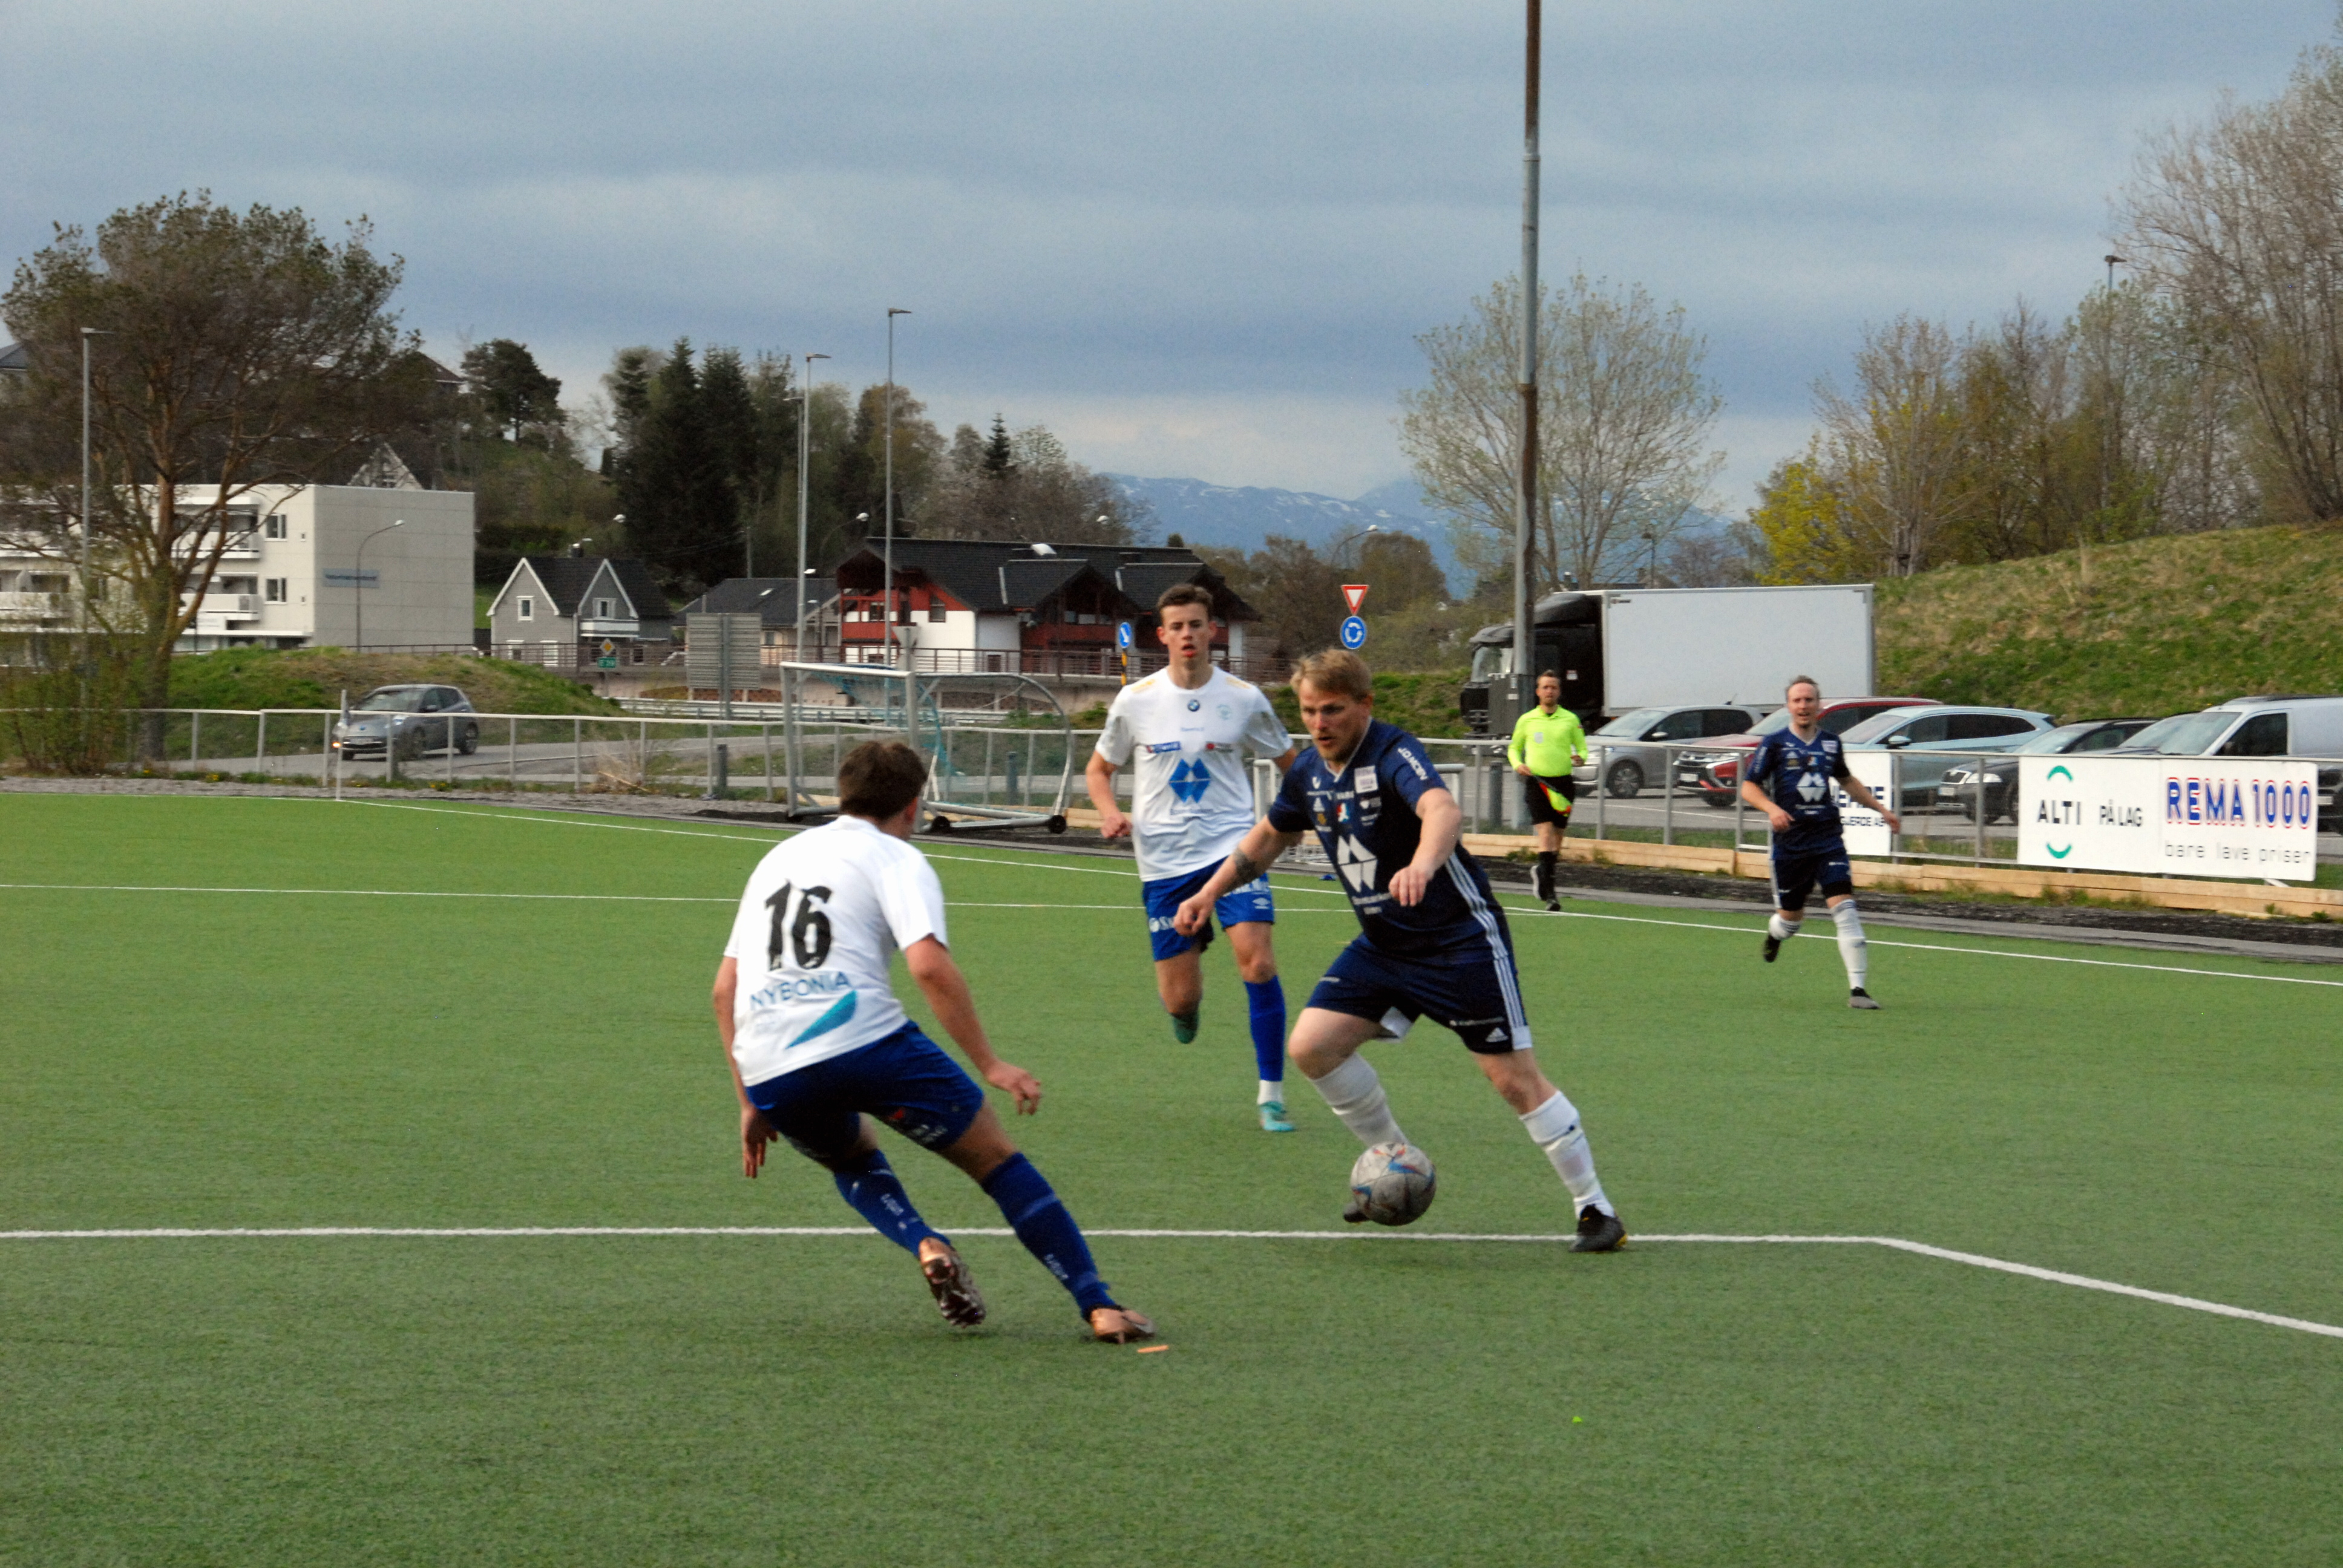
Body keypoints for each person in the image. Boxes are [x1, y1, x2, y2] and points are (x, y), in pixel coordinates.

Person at [1173, 648, 1628, 1252]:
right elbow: (1270, 835)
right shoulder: (1307, 770)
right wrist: (1208, 893)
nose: (1318, 723)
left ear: (1364, 705)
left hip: (1457, 940)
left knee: (1512, 1080)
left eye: (1332, 710)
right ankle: (1395, 1162)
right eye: (1308, 711)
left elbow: (1441, 809)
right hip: (1384, 945)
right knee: (1312, 1047)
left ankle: (1595, 1209)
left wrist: (1421, 863)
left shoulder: (1392, 751)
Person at [712, 739, 1153, 1343]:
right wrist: (989, 1063)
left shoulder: (776, 858)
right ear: (914, 806)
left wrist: (749, 1100)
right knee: (996, 1162)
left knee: (851, 1159)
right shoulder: (895, 857)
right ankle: (1097, 1304)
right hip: (866, 1041)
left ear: (841, 795)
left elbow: (724, 990)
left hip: (770, 1064)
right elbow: (928, 966)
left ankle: (924, 1242)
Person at [1086, 584, 1300, 1132]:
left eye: (1196, 625)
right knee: (1180, 1000)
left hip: (1234, 850)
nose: (1188, 635)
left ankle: (1271, 1096)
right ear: (1162, 635)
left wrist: (1296, 817)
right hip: (1164, 863)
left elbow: (1293, 765)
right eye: (1177, 626)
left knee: (1258, 962)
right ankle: (1186, 1007)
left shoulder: (1245, 698)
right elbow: (1099, 770)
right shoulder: (1135, 701)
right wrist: (1109, 812)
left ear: (1212, 632)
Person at [1736, 675, 1901, 1010]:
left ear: (1819, 705)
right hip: (1791, 844)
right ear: (1788, 706)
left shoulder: (1831, 743)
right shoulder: (1774, 744)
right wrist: (1772, 809)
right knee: (1790, 922)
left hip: (1827, 839)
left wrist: (1882, 809)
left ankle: (1858, 990)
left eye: (1809, 700)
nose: (1803, 706)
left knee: (1846, 909)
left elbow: (1847, 780)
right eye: (1797, 700)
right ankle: (1776, 935)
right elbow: (1748, 787)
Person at [1507, 670, 1586, 910]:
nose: (1549, 691)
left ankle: (1543, 872)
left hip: (1563, 785)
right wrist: (1518, 765)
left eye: (1553, 687)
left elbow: (1582, 748)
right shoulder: (1527, 720)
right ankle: (1551, 894)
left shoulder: (1570, 719)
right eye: (1545, 687)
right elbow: (1513, 748)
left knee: (1558, 839)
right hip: (1537, 783)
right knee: (1545, 833)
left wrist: (1580, 758)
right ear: (1538, 692)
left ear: (1559, 692)